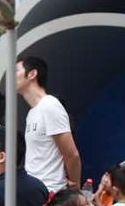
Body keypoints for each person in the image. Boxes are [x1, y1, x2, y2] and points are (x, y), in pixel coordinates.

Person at [17, 56, 81, 191]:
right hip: (35, 191)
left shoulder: (50, 105)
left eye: (16, 71)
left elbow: (71, 155)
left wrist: (75, 187)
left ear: (32, 74)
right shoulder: (32, 112)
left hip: (51, 192)